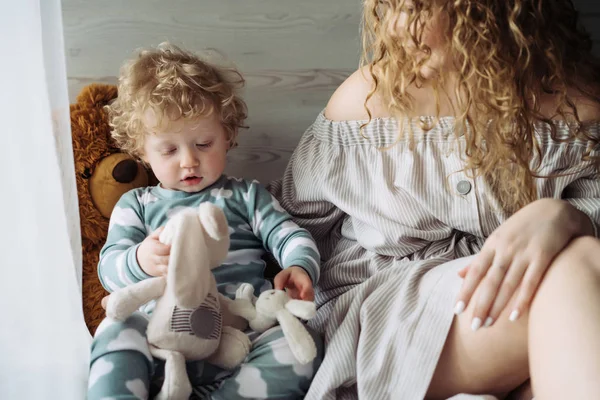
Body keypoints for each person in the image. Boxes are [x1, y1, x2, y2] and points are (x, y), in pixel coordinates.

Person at [269, 1, 600, 399]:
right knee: (584, 267)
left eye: (415, 9)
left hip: (504, 296)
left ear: (488, 14)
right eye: (387, 8)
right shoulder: (366, 101)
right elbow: (285, 225)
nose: (394, 28)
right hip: (384, 316)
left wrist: (564, 216)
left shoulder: (574, 105)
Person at [87, 42, 323, 400]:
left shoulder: (248, 196)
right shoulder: (136, 204)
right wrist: (139, 260)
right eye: (169, 150)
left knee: (302, 344)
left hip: (240, 332)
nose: (189, 161)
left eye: (204, 143)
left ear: (227, 135)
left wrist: (299, 265)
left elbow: (289, 234)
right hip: (159, 335)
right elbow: (109, 268)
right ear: (141, 151)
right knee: (115, 328)